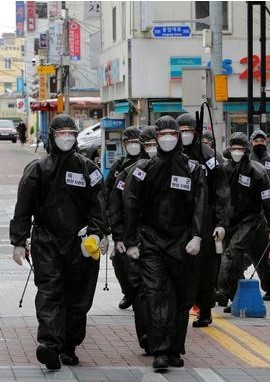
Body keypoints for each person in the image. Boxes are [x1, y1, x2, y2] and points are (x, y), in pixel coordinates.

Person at [9, 114, 107, 370]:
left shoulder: (90, 170)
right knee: (50, 293)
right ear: (52, 136)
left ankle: (69, 345)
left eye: (71, 133)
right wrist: (19, 241)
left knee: (77, 298)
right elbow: (23, 209)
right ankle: (50, 346)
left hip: (80, 243)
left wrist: (97, 234)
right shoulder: (37, 170)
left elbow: (99, 207)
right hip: (46, 242)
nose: (67, 137)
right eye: (61, 133)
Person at [123, 116, 206, 370]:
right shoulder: (142, 169)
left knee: (182, 298)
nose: (168, 138)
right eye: (163, 134)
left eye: (173, 133)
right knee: (158, 296)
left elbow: (201, 204)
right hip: (151, 242)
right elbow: (129, 202)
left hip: (183, 243)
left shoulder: (193, 168)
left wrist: (197, 235)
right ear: (155, 138)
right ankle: (160, 351)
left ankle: (175, 349)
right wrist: (130, 241)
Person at [176, 113, 230, 328]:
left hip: (207, 220)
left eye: (188, 130)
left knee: (206, 269)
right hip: (179, 221)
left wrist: (221, 223)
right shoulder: (173, 155)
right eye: (181, 130)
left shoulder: (210, 157)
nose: (184, 134)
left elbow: (222, 193)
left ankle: (205, 309)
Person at [216, 132, 270, 310]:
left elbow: (268, 200)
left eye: (240, 149)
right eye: (233, 148)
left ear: (247, 150)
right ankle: (231, 294)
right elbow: (218, 197)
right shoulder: (223, 169)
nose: (237, 152)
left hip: (253, 220)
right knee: (232, 257)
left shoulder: (258, 171)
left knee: (260, 255)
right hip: (230, 221)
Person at [109, 126, 156, 355]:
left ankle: (168, 340)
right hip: (134, 235)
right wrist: (117, 234)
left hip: (167, 239)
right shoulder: (126, 169)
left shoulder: (181, 167)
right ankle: (147, 335)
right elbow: (113, 200)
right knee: (138, 286)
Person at [105, 126, 142, 311]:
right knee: (119, 258)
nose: (133, 146)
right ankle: (129, 292)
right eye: (129, 142)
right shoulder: (119, 166)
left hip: (144, 224)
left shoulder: (149, 163)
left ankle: (142, 294)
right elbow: (108, 194)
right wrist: (108, 226)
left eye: (137, 142)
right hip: (124, 224)